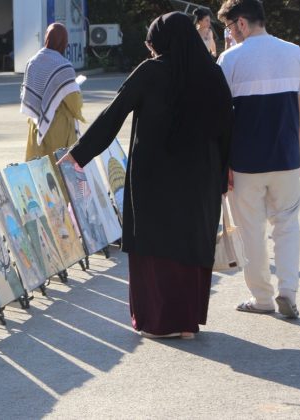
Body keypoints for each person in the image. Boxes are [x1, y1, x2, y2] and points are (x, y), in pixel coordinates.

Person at [57, 12, 233, 339]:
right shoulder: (212, 73)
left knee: (157, 245)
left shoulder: (151, 72)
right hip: (201, 178)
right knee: (190, 243)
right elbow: (226, 127)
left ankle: (161, 322)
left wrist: (78, 155)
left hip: (156, 176)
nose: (150, 50)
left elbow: (113, 115)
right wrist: (223, 176)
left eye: (152, 43)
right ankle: (186, 322)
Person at [216, 0, 300, 318]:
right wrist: (296, 153)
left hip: (244, 162)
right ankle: (288, 292)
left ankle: (262, 298)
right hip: (285, 156)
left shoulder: (228, 59)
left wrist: (223, 163)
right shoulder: (293, 52)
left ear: (241, 23)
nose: (229, 34)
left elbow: (221, 119)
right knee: (287, 225)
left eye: (228, 27)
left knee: (250, 229)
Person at [21, 23, 85, 164]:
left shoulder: (32, 62)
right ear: (64, 42)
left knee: (40, 174)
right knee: (61, 174)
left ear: (46, 39)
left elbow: (28, 97)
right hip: (59, 129)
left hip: (36, 126)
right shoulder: (63, 66)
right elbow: (74, 103)